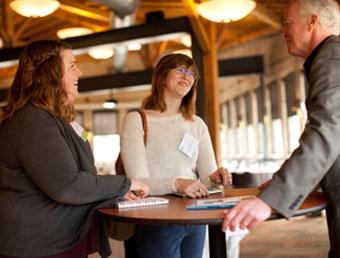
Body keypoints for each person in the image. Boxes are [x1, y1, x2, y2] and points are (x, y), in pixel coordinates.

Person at [222, 0, 340, 257]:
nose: (283, 32)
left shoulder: (333, 60)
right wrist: (279, 181)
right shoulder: (339, 57)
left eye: (287, 23)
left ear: (312, 22)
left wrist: (269, 199)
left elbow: (325, 134)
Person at [0, 40, 149, 258]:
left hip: (53, 240)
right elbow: (66, 185)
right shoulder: (31, 120)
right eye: (72, 66)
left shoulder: (53, 119)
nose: (79, 72)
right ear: (49, 73)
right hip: (36, 246)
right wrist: (125, 183)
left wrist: (116, 192)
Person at [120, 53, 232, 258]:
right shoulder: (136, 120)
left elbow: (208, 180)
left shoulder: (197, 124)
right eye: (180, 70)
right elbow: (138, 183)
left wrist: (216, 179)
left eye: (191, 73)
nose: (187, 76)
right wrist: (179, 183)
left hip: (195, 218)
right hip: (157, 220)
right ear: (162, 76)